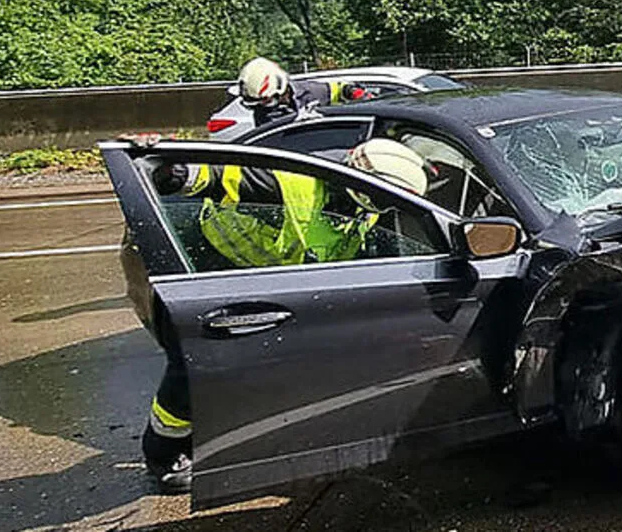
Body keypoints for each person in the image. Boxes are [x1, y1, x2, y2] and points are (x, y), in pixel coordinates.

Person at [141, 138, 429, 492]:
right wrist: (169, 165)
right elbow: (208, 176)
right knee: (193, 369)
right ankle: (164, 452)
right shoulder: (287, 182)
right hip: (214, 271)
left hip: (274, 284)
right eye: (385, 202)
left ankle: (244, 433)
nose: (385, 211)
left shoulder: (363, 203)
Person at [238, 57, 372, 128]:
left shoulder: (312, 92)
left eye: (266, 100)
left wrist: (354, 93)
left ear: (280, 88)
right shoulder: (264, 116)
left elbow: (339, 90)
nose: (263, 106)